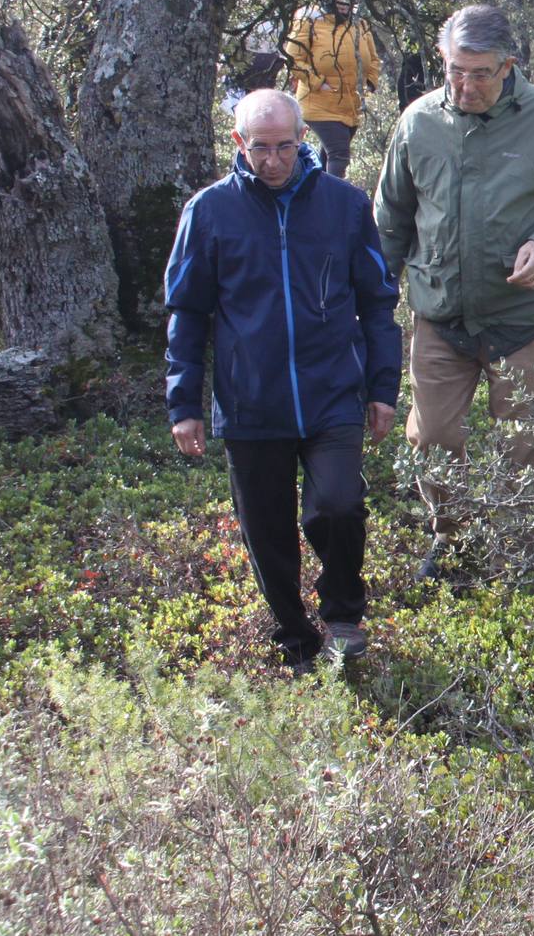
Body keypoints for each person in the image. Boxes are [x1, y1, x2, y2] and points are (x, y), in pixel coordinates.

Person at [164, 89, 401, 670]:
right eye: (260, 148)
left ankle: (343, 616)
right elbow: (187, 312)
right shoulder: (210, 211)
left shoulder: (344, 205)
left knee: (338, 507)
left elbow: (376, 303)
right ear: (239, 143)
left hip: (332, 394)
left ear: (303, 141)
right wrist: (183, 404)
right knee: (266, 533)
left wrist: (381, 388)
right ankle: (296, 640)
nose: (272, 160)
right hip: (251, 403)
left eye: (285, 147)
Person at [373, 4, 534, 577]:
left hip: (522, 317)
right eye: (455, 70)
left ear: (509, 65)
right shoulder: (418, 122)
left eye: (481, 73)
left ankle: (522, 551)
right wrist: (374, 299)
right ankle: (450, 541)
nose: (466, 85)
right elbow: (391, 217)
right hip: (439, 314)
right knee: (431, 439)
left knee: (527, 445)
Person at [286, 0, 381, 180]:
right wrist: (318, 82)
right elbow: (293, 59)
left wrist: (371, 80)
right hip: (319, 103)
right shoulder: (309, 21)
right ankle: (334, 203)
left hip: (350, 105)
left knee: (326, 158)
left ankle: (313, 198)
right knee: (339, 154)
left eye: (347, 1)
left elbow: (373, 58)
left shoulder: (359, 24)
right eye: (339, 1)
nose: (344, 6)